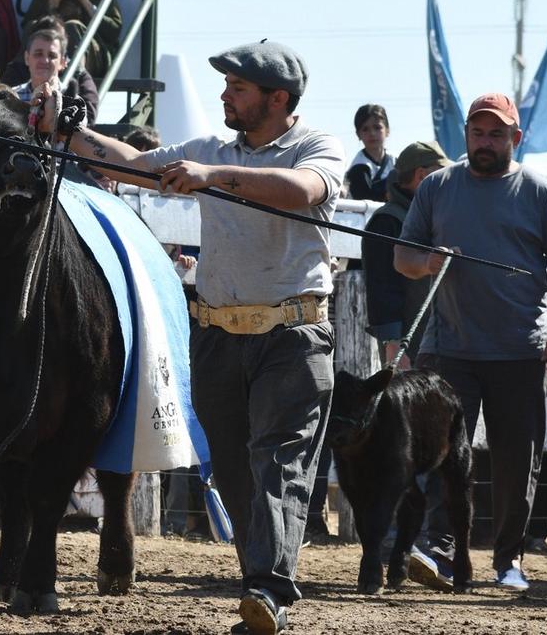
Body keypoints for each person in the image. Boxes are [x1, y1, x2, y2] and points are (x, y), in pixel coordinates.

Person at [44, 40, 343, 635]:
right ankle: (261, 584)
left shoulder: (316, 147)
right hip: (218, 336)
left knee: (279, 461)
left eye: (238, 88)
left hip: (293, 335)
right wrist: (69, 134)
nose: (225, 96)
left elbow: (302, 192)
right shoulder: (209, 148)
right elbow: (134, 164)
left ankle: (266, 589)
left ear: (277, 98)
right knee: (232, 469)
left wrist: (214, 177)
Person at [394, 92, 547, 591]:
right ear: (466, 135)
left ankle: (508, 561)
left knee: (516, 462)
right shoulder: (436, 187)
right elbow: (403, 258)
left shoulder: (541, 194)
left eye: (496, 133)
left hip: (521, 351)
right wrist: (430, 261)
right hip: (449, 350)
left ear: (514, 138)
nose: (485, 141)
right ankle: (440, 552)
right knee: (442, 457)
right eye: (478, 132)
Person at [362, 140, 450, 367]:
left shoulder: (435, 217)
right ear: (422, 176)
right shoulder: (387, 220)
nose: (449, 182)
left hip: (444, 346)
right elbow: (381, 290)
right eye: (441, 174)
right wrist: (393, 346)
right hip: (409, 350)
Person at [11, 28, 100, 123]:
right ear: (27, 58)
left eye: (52, 56)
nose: (45, 61)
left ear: (63, 62)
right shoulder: (12, 97)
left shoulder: (75, 103)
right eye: (38, 54)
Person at [345, 103, 393, 201]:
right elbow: (366, 199)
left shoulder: (397, 161)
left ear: (387, 130)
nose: (372, 133)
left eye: (377, 127)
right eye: (365, 129)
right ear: (358, 134)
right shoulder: (358, 168)